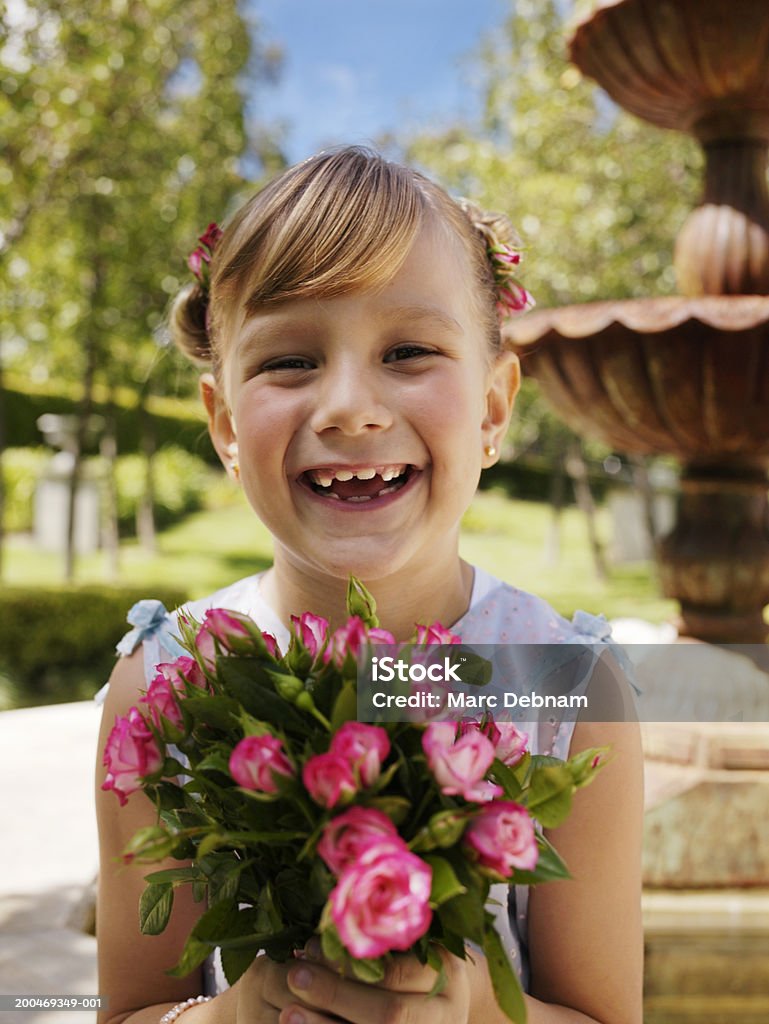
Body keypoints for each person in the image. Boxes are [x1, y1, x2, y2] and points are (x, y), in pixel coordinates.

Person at [95, 146, 643, 1024]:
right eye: (289, 361)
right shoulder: (163, 682)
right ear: (226, 425)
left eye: (409, 350)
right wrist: (233, 1015)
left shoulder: (564, 688)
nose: (350, 406)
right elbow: (128, 1011)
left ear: (494, 409)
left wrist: (472, 1006)